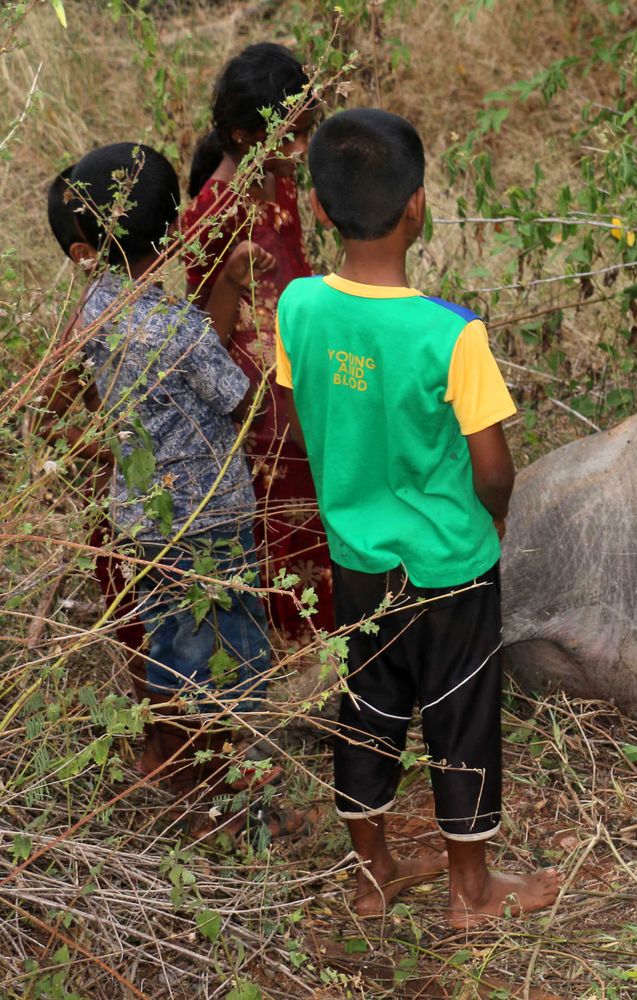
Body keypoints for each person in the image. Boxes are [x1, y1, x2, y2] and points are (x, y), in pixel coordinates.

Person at [275, 108, 560, 925]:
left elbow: (296, 415)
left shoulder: (300, 307)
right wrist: (490, 523)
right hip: (449, 568)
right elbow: (494, 469)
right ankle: (471, 893)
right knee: (460, 715)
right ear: (418, 208)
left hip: (358, 559)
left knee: (367, 711)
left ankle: (373, 876)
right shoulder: (451, 335)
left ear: (320, 211)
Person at [47, 142, 305, 839]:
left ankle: (185, 789)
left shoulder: (96, 311)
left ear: (81, 250)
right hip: (207, 523)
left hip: (146, 523)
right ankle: (230, 812)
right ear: (170, 232)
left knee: (174, 656)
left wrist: (220, 287)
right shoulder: (173, 325)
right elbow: (230, 391)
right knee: (231, 670)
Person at [180, 42, 334, 645]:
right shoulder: (211, 214)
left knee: (317, 522)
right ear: (245, 136)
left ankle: (325, 653)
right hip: (257, 411)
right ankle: (292, 664)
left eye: (306, 132)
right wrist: (228, 282)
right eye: (290, 137)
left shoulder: (277, 183)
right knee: (283, 534)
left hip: (300, 381)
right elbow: (202, 337)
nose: (302, 151)